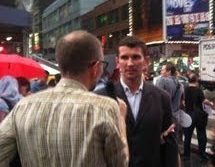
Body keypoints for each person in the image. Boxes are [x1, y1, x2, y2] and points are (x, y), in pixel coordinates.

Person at [0, 30, 128, 166]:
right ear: (95, 67)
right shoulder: (105, 108)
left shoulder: (23, 107)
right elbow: (120, 163)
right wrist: (120, 119)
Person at [96, 36, 178, 167]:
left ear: (146, 61)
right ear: (117, 62)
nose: (130, 63)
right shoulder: (102, 98)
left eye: (135, 57)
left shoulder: (162, 98)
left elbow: (170, 148)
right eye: (124, 58)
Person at [183, 73, 212, 161]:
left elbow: (182, 102)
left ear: (188, 80)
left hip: (188, 115)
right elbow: (204, 101)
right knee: (201, 134)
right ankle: (202, 154)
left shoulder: (185, 89)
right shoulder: (198, 90)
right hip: (199, 116)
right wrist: (210, 103)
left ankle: (186, 155)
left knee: (187, 135)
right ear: (196, 81)